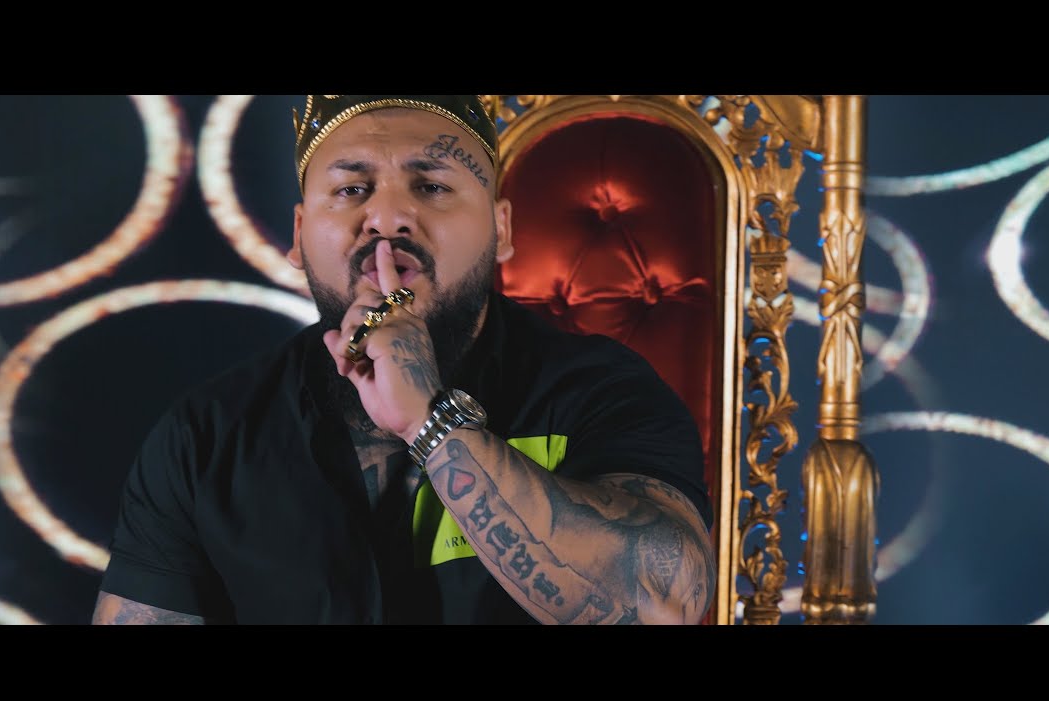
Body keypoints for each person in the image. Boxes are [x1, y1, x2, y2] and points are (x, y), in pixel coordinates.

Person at [91, 95, 715, 625]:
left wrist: (430, 422)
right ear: (300, 235)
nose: (387, 218)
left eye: (432, 186)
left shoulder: (602, 390)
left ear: (501, 229)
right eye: (352, 189)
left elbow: (663, 605)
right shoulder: (206, 436)